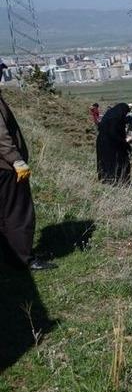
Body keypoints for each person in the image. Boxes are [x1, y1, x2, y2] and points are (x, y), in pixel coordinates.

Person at [0, 87, 55, 270]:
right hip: (7, 167)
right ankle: (23, 258)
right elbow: (1, 135)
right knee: (18, 212)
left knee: (5, 213)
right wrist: (16, 159)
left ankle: (11, 255)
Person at [96, 103, 132, 184]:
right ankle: (115, 180)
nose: (125, 114)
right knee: (112, 162)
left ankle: (106, 179)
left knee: (105, 161)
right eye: (125, 112)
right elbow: (113, 133)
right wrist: (124, 143)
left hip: (103, 141)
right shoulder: (116, 118)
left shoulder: (110, 114)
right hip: (110, 143)